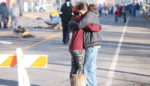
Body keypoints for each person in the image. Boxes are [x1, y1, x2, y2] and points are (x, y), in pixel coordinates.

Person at [70, 2, 102, 86]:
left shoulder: (90, 14)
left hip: (91, 44)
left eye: (81, 12)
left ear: (85, 10)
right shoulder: (87, 14)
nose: (80, 14)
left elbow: (81, 25)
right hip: (89, 44)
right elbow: (88, 26)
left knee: (89, 68)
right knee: (88, 68)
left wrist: (72, 23)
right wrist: (98, 27)